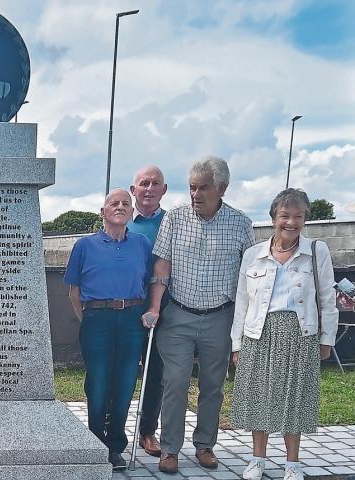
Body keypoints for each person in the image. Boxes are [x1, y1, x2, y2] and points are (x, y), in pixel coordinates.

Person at [144, 156, 255, 474]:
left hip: (220, 317)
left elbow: (249, 274)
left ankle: (205, 445)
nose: (195, 194)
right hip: (178, 315)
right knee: (175, 380)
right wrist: (154, 306)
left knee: (212, 385)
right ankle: (170, 449)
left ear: (222, 188)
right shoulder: (175, 218)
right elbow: (162, 265)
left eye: (203, 187)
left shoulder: (241, 223)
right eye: (192, 187)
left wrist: (245, 323)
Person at [230, 188, 338, 480]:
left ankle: (292, 464)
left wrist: (327, 338)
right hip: (259, 333)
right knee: (258, 398)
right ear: (273, 217)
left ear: (305, 219)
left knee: (296, 399)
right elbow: (242, 300)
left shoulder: (316, 251)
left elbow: (327, 298)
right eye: (285, 216)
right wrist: (236, 342)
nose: (291, 222)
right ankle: (257, 460)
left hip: (300, 334)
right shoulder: (253, 255)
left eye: (298, 216)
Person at [65, 189, 151, 469]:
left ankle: (115, 446)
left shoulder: (141, 244)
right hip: (97, 319)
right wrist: (89, 320)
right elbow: (74, 292)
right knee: (98, 382)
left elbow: (149, 282)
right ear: (103, 211)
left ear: (131, 212)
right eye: (113, 203)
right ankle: (95, 441)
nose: (120, 206)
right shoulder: (84, 246)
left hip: (131, 318)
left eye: (126, 203)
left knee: (126, 382)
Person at [127, 165, 168, 458]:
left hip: (163, 307)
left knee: (156, 372)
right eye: (144, 183)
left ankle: (147, 431)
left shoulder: (174, 223)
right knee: (124, 370)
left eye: (155, 184)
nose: (149, 189)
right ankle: (112, 428)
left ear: (164, 190)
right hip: (128, 307)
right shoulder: (121, 221)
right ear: (134, 190)